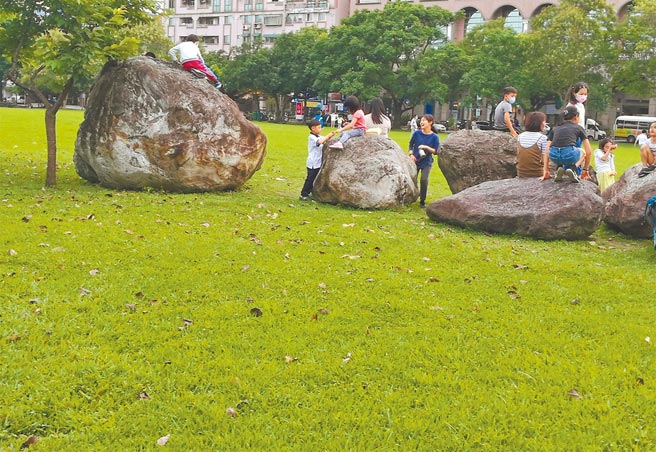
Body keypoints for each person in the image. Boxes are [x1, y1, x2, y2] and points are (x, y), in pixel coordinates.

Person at [541, 105, 593, 183]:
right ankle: (572, 169)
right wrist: (585, 169)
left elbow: (547, 150)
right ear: (576, 117)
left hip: (553, 155)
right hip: (569, 154)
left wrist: (546, 170)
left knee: (559, 151)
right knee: (583, 152)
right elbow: (589, 152)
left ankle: (559, 168)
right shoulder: (578, 128)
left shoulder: (555, 128)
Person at [409, 114, 440, 208]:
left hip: (426, 161)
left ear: (430, 122)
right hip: (415, 160)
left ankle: (422, 200)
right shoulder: (417, 133)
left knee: (424, 180)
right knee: (412, 179)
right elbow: (411, 144)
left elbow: (436, 151)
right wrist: (411, 154)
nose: (421, 122)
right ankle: (411, 196)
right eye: (421, 120)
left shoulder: (434, 137)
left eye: (424, 120)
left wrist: (426, 147)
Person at [300, 119, 335, 201]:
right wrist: (328, 135)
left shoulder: (318, 136)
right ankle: (304, 194)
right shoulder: (311, 137)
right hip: (313, 162)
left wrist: (332, 135)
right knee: (310, 179)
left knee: (316, 179)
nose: (320, 129)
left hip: (318, 162)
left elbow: (325, 139)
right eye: (319, 127)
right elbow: (320, 142)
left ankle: (313, 193)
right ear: (313, 128)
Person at [517, 111, 548, 178]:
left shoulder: (520, 136)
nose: (545, 124)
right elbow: (544, 160)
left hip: (521, 173)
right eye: (544, 121)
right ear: (540, 123)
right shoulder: (543, 138)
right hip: (537, 173)